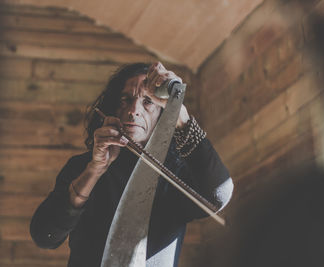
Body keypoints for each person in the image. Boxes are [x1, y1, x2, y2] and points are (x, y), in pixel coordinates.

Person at [30, 62, 233, 267]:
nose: (133, 110)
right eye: (125, 100)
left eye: (148, 102)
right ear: (112, 108)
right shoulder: (82, 166)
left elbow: (218, 195)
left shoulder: (174, 172)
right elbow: (44, 235)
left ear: (161, 115)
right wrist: (94, 170)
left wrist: (177, 111)